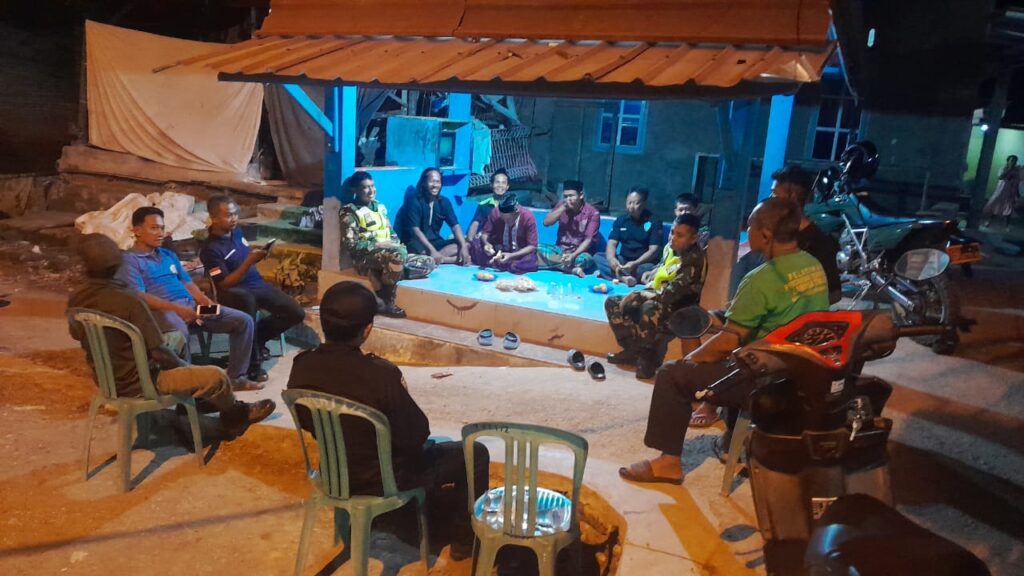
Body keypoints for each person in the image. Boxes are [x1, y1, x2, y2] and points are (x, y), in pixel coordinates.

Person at [618, 197, 830, 485]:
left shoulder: (761, 278)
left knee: (671, 375)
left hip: (767, 378)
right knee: (724, 356)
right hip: (803, 370)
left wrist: (690, 361)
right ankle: (732, 438)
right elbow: (775, 316)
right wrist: (719, 318)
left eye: (750, 226)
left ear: (765, 234)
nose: (747, 231)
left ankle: (668, 463)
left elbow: (726, 344)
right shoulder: (812, 265)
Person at [286, 281, 488, 560]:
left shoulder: (302, 366)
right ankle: (465, 543)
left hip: (333, 474)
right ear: (367, 330)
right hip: (384, 480)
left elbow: (307, 421)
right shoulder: (381, 375)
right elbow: (416, 435)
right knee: (475, 453)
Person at [68, 233, 275, 433]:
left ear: (85, 267)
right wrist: (186, 368)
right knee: (215, 375)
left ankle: (195, 402)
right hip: (142, 382)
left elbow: (76, 333)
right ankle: (235, 415)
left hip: (107, 379)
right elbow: (159, 353)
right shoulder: (131, 302)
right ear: (118, 265)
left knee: (178, 338)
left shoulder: (77, 299)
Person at [117, 207, 261, 391]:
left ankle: (236, 378)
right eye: (154, 228)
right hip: (163, 313)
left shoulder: (168, 255)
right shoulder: (130, 260)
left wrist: (204, 300)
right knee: (179, 331)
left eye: (162, 228)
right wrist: (177, 309)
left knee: (243, 321)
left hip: (192, 307)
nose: (160, 233)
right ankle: (191, 390)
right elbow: (139, 296)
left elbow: (186, 282)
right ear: (137, 231)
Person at [200, 195, 306, 376]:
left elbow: (244, 256)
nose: (234, 218)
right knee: (247, 300)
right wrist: (249, 262)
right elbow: (224, 283)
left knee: (295, 312)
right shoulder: (210, 249)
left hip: (256, 284)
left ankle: (256, 340)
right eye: (228, 215)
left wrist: (259, 254)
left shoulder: (236, 232)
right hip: (233, 291)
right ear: (214, 218)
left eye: (235, 214)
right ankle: (252, 364)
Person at [605, 213, 705, 379]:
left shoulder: (693, 260)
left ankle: (648, 359)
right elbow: (664, 269)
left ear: (694, 238)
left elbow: (671, 294)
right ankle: (632, 350)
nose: (673, 238)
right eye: (672, 232)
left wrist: (641, 294)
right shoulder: (671, 249)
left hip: (679, 306)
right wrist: (652, 273)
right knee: (613, 302)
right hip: (658, 294)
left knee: (649, 308)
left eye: (680, 235)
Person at [339, 171, 436, 319]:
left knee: (428, 263)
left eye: (372, 186)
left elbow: (391, 233)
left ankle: (381, 274)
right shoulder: (350, 211)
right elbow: (351, 245)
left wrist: (396, 245)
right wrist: (379, 244)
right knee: (398, 256)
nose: (371, 191)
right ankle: (387, 300)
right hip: (365, 258)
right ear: (355, 190)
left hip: (389, 255)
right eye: (365, 187)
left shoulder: (380, 207)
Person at [398, 167, 471, 265]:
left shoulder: (444, 202)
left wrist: (463, 247)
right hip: (417, 243)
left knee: (466, 244)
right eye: (432, 182)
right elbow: (415, 231)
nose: (435, 185)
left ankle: (435, 260)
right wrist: (432, 251)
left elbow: (455, 226)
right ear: (424, 183)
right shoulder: (414, 202)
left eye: (438, 182)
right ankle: (447, 260)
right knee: (420, 252)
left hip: (436, 242)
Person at [594, 187, 663, 286]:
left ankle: (619, 275)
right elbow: (612, 243)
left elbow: (653, 250)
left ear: (644, 203)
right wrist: (611, 259)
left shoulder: (654, 222)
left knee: (649, 269)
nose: (631, 207)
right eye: (629, 203)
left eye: (636, 203)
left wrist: (635, 263)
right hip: (623, 261)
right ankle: (624, 278)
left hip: (642, 263)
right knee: (598, 257)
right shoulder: (621, 220)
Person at [538, 179, 601, 277]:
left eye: (571, 196)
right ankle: (570, 269)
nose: (568, 199)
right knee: (536, 249)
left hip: (580, 253)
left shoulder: (593, 213)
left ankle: (557, 264)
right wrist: (563, 208)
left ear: (581, 195)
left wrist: (573, 255)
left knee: (584, 260)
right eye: (565, 196)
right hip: (560, 250)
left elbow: (589, 240)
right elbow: (546, 222)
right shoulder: (562, 205)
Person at [469, 193, 539, 274]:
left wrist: (511, 256)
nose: (505, 221)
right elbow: (485, 234)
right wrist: (486, 244)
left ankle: (499, 264)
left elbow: (532, 246)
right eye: (503, 219)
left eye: (508, 219)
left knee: (530, 260)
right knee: (476, 245)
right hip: (499, 249)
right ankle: (499, 263)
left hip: (518, 254)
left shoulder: (528, 217)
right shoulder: (495, 213)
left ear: (516, 213)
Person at [466, 169, 510, 241]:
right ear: (491, 185)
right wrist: (470, 240)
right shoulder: (484, 205)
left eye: (503, 183)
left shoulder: (511, 205)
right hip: (486, 240)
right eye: (497, 182)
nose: (500, 185)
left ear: (507, 187)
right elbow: (476, 222)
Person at [983, 155, 1021, 230]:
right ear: (1008, 161)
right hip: (1001, 191)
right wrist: (1009, 169)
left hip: (1010, 192)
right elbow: (1000, 177)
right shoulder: (1003, 168)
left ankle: (1007, 225)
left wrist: (1017, 193)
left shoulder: (1016, 171)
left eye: (1014, 161)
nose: (1012, 162)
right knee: (995, 207)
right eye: (1011, 160)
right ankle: (988, 221)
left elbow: (1017, 182)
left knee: (1009, 209)